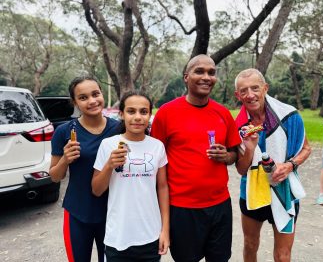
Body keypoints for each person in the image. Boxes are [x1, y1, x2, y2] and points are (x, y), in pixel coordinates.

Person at [151, 54, 241, 262]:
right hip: (182, 208)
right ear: (186, 77)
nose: (206, 77)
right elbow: (156, 161)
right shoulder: (166, 113)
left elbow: (234, 155)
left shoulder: (223, 113)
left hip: (220, 205)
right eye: (199, 71)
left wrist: (226, 155)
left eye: (211, 72)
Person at [234, 68, 311, 262]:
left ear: (265, 88)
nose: (250, 95)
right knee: (250, 245)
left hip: (284, 190)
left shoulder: (289, 115)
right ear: (238, 95)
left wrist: (290, 165)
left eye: (255, 88)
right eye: (244, 91)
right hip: (252, 191)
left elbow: (306, 148)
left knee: (283, 255)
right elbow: (242, 170)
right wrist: (250, 148)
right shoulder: (238, 125)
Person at [49, 76, 122, 262]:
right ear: (75, 102)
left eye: (95, 94)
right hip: (78, 212)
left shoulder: (119, 129)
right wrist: (65, 159)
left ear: (102, 94)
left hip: (112, 213)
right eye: (83, 97)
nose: (92, 101)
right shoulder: (65, 132)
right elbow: (55, 177)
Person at [92, 90, 170, 261]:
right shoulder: (108, 145)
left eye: (143, 112)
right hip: (118, 236)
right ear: (121, 114)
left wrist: (165, 230)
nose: (137, 117)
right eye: (131, 111)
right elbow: (97, 190)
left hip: (151, 234)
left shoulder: (157, 147)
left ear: (150, 115)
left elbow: (163, 187)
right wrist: (109, 166)